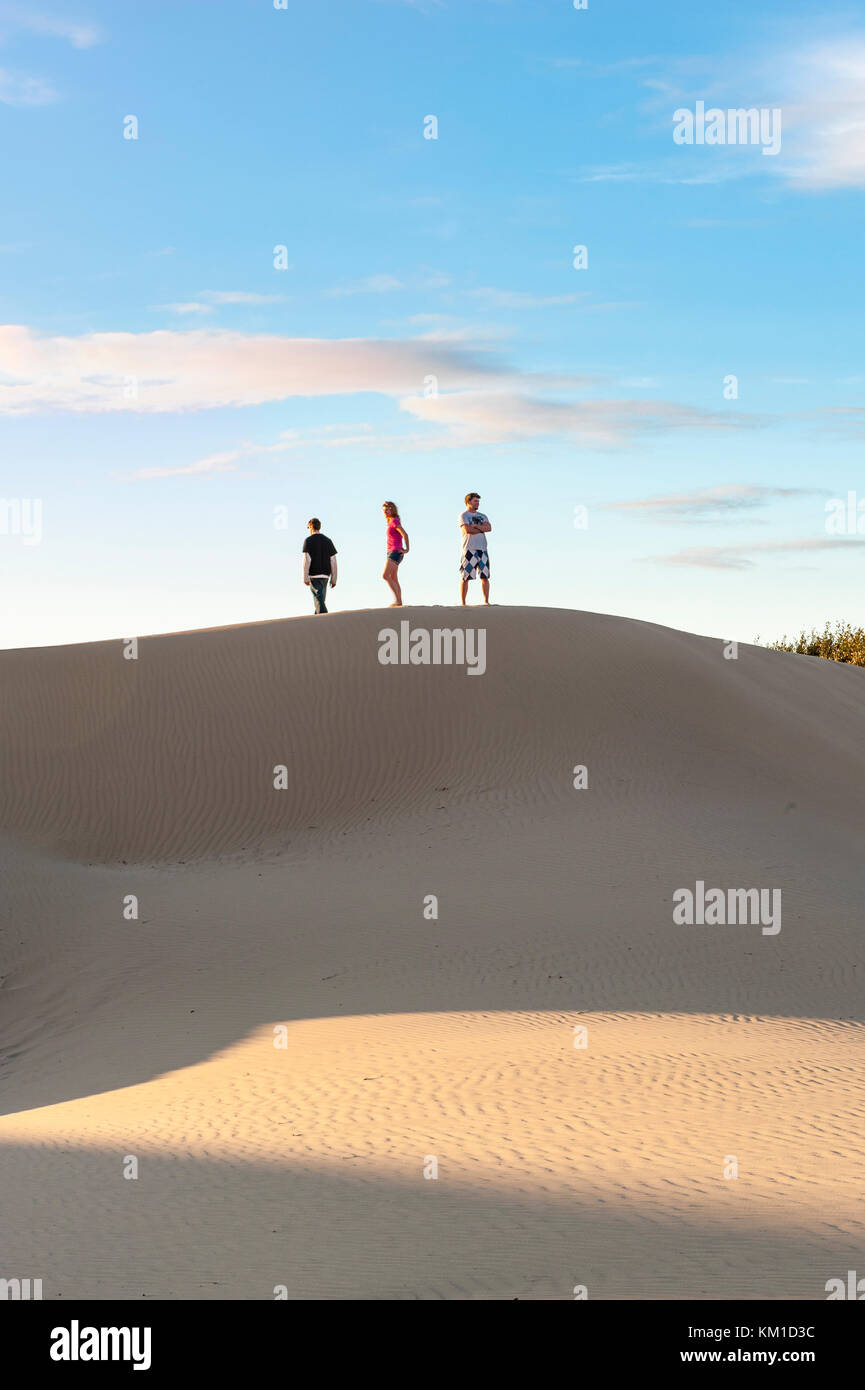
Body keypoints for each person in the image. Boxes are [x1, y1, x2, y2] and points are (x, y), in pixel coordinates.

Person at [459, 491, 491, 605]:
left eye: (478, 501)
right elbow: (468, 530)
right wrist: (481, 529)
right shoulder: (464, 515)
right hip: (469, 549)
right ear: (468, 502)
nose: (477, 503)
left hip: (482, 549)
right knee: (465, 577)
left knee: (485, 576)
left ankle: (486, 601)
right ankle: (463, 602)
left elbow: (489, 528)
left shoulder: (483, 516)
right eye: (475, 501)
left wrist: (477, 526)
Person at [302, 518, 337, 614]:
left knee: (318, 600)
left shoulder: (308, 541)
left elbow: (307, 560)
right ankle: (316, 622)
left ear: (310, 527)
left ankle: (325, 620)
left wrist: (305, 578)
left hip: (314, 576)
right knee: (320, 599)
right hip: (325, 575)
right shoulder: (328, 541)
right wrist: (334, 579)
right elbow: (333, 561)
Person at [382, 500, 409, 606]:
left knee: (385, 576)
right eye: (384, 511)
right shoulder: (392, 521)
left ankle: (398, 601)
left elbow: (405, 534)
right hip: (393, 552)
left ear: (392, 509)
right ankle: (399, 601)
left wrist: (407, 549)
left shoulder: (394, 521)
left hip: (395, 551)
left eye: (388, 510)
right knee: (393, 577)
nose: (386, 512)